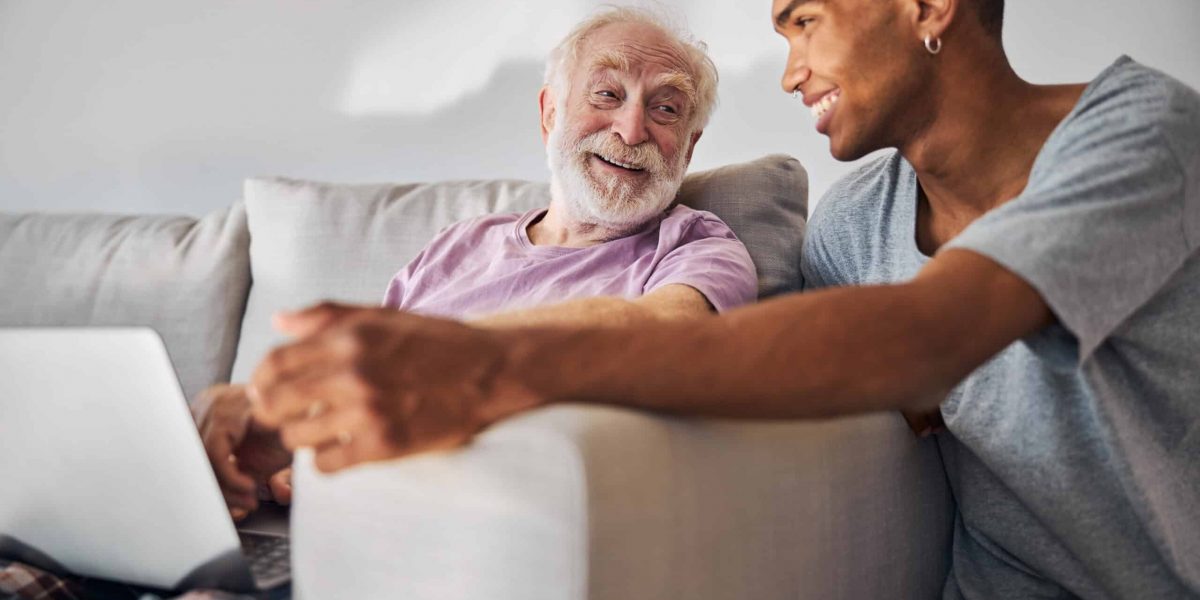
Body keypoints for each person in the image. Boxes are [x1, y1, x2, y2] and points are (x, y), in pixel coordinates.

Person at [247, 0, 1200, 597]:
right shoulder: (854, 221)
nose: (788, 73)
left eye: (803, 19)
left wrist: (492, 361)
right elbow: (845, 396)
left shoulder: (1140, 131)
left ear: (927, 6)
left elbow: (927, 337)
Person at [193, 7, 758, 520]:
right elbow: (365, 389)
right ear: (550, 113)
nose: (632, 130)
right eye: (607, 95)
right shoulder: (457, 246)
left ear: (687, 148)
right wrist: (270, 422)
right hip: (348, 519)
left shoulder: (696, 246)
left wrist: (440, 358)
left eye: (665, 108)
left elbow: (672, 335)